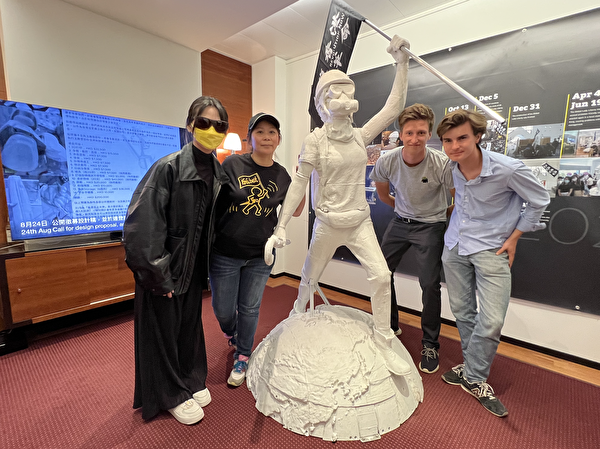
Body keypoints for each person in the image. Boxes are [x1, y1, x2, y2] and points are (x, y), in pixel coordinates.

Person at [266, 35, 413, 376]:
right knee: (309, 276)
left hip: (359, 222)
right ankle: (298, 312)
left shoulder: (360, 136)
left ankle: (384, 338)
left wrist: (401, 62)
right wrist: (281, 226)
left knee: (381, 276)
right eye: (337, 93)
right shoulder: (315, 141)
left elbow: (393, 108)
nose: (346, 99)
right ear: (323, 103)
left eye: (349, 91)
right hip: (328, 223)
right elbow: (299, 183)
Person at [123, 96, 229, 425]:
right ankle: (170, 394)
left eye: (219, 125)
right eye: (204, 123)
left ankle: (190, 380)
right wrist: (157, 274)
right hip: (165, 271)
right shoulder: (167, 168)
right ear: (190, 125)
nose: (212, 130)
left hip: (193, 270)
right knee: (162, 334)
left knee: (188, 328)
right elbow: (143, 225)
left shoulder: (219, 173)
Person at [437, 109, 550, 418]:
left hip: (492, 249)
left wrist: (515, 237)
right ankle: (472, 373)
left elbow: (539, 200)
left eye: (462, 138)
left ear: (477, 136)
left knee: (492, 321)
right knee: (462, 312)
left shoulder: (508, 169)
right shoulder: (451, 168)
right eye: (447, 140)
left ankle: (473, 376)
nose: (455, 146)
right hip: (455, 246)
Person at [209, 112, 304, 387]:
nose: (266, 137)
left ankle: (243, 355)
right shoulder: (232, 164)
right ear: (249, 138)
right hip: (225, 252)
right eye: (259, 132)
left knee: (249, 308)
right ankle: (233, 333)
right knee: (223, 309)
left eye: (271, 132)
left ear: (279, 139)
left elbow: (296, 210)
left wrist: (303, 178)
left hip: (261, 255)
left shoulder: (282, 175)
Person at [370, 103, 454, 374]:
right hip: (400, 223)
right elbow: (384, 195)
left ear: (429, 134)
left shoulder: (442, 163)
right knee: (381, 274)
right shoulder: (387, 161)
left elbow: (459, 199)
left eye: (421, 133)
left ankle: (430, 343)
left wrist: (438, 216)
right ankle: (390, 325)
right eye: (409, 133)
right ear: (401, 134)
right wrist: (407, 211)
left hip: (431, 227)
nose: (415, 139)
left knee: (429, 284)